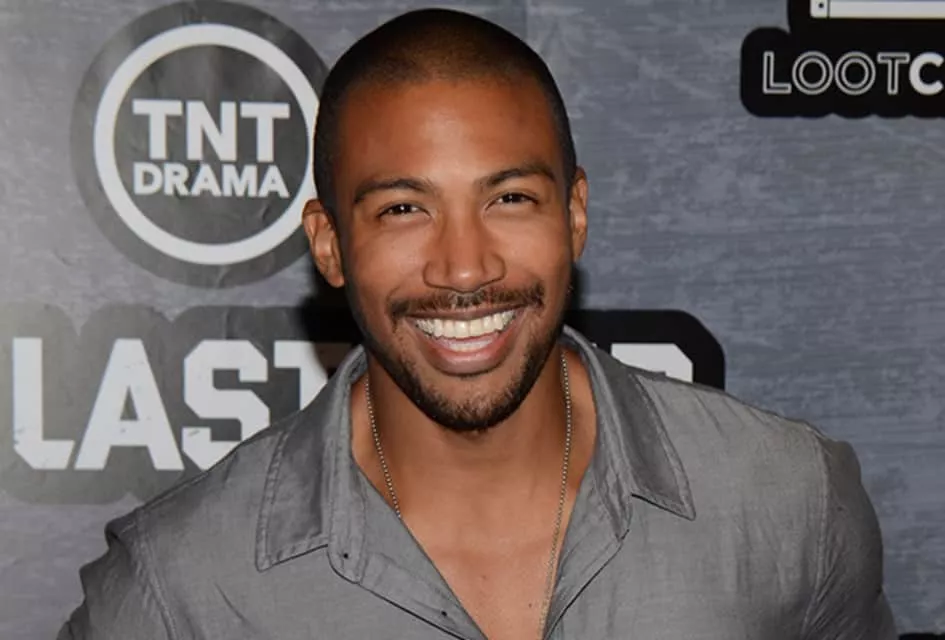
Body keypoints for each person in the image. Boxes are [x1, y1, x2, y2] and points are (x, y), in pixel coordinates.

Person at [59, 8, 896, 639]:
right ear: (330, 244)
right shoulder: (181, 590)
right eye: (402, 208)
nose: (464, 268)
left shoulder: (788, 501)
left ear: (573, 216)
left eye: (509, 198)